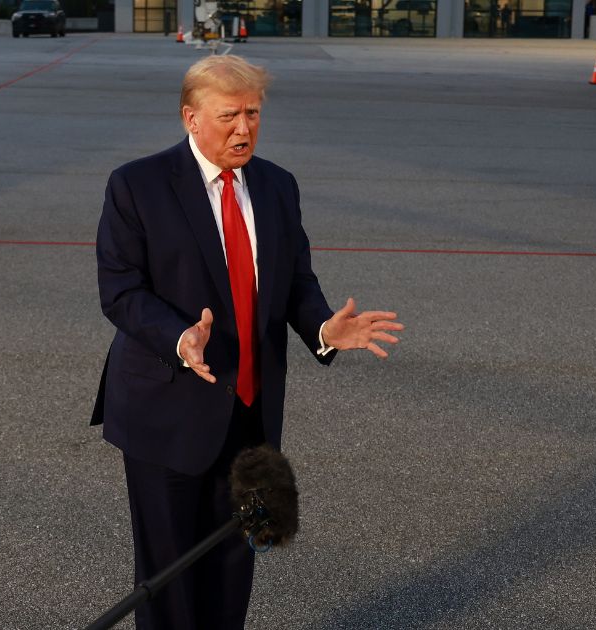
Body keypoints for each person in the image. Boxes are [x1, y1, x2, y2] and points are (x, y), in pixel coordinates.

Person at [92, 55, 403, 630]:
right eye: (229, 116)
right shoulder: (137, 184)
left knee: (233, 564)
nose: (244, 129)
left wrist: (322, 328)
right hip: (168, 408)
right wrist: (180, 336)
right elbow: (120, 290)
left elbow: (296, 283)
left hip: (249, 412)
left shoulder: (278, 185)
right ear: (191, 117)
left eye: (254, 114)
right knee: (168, 576)